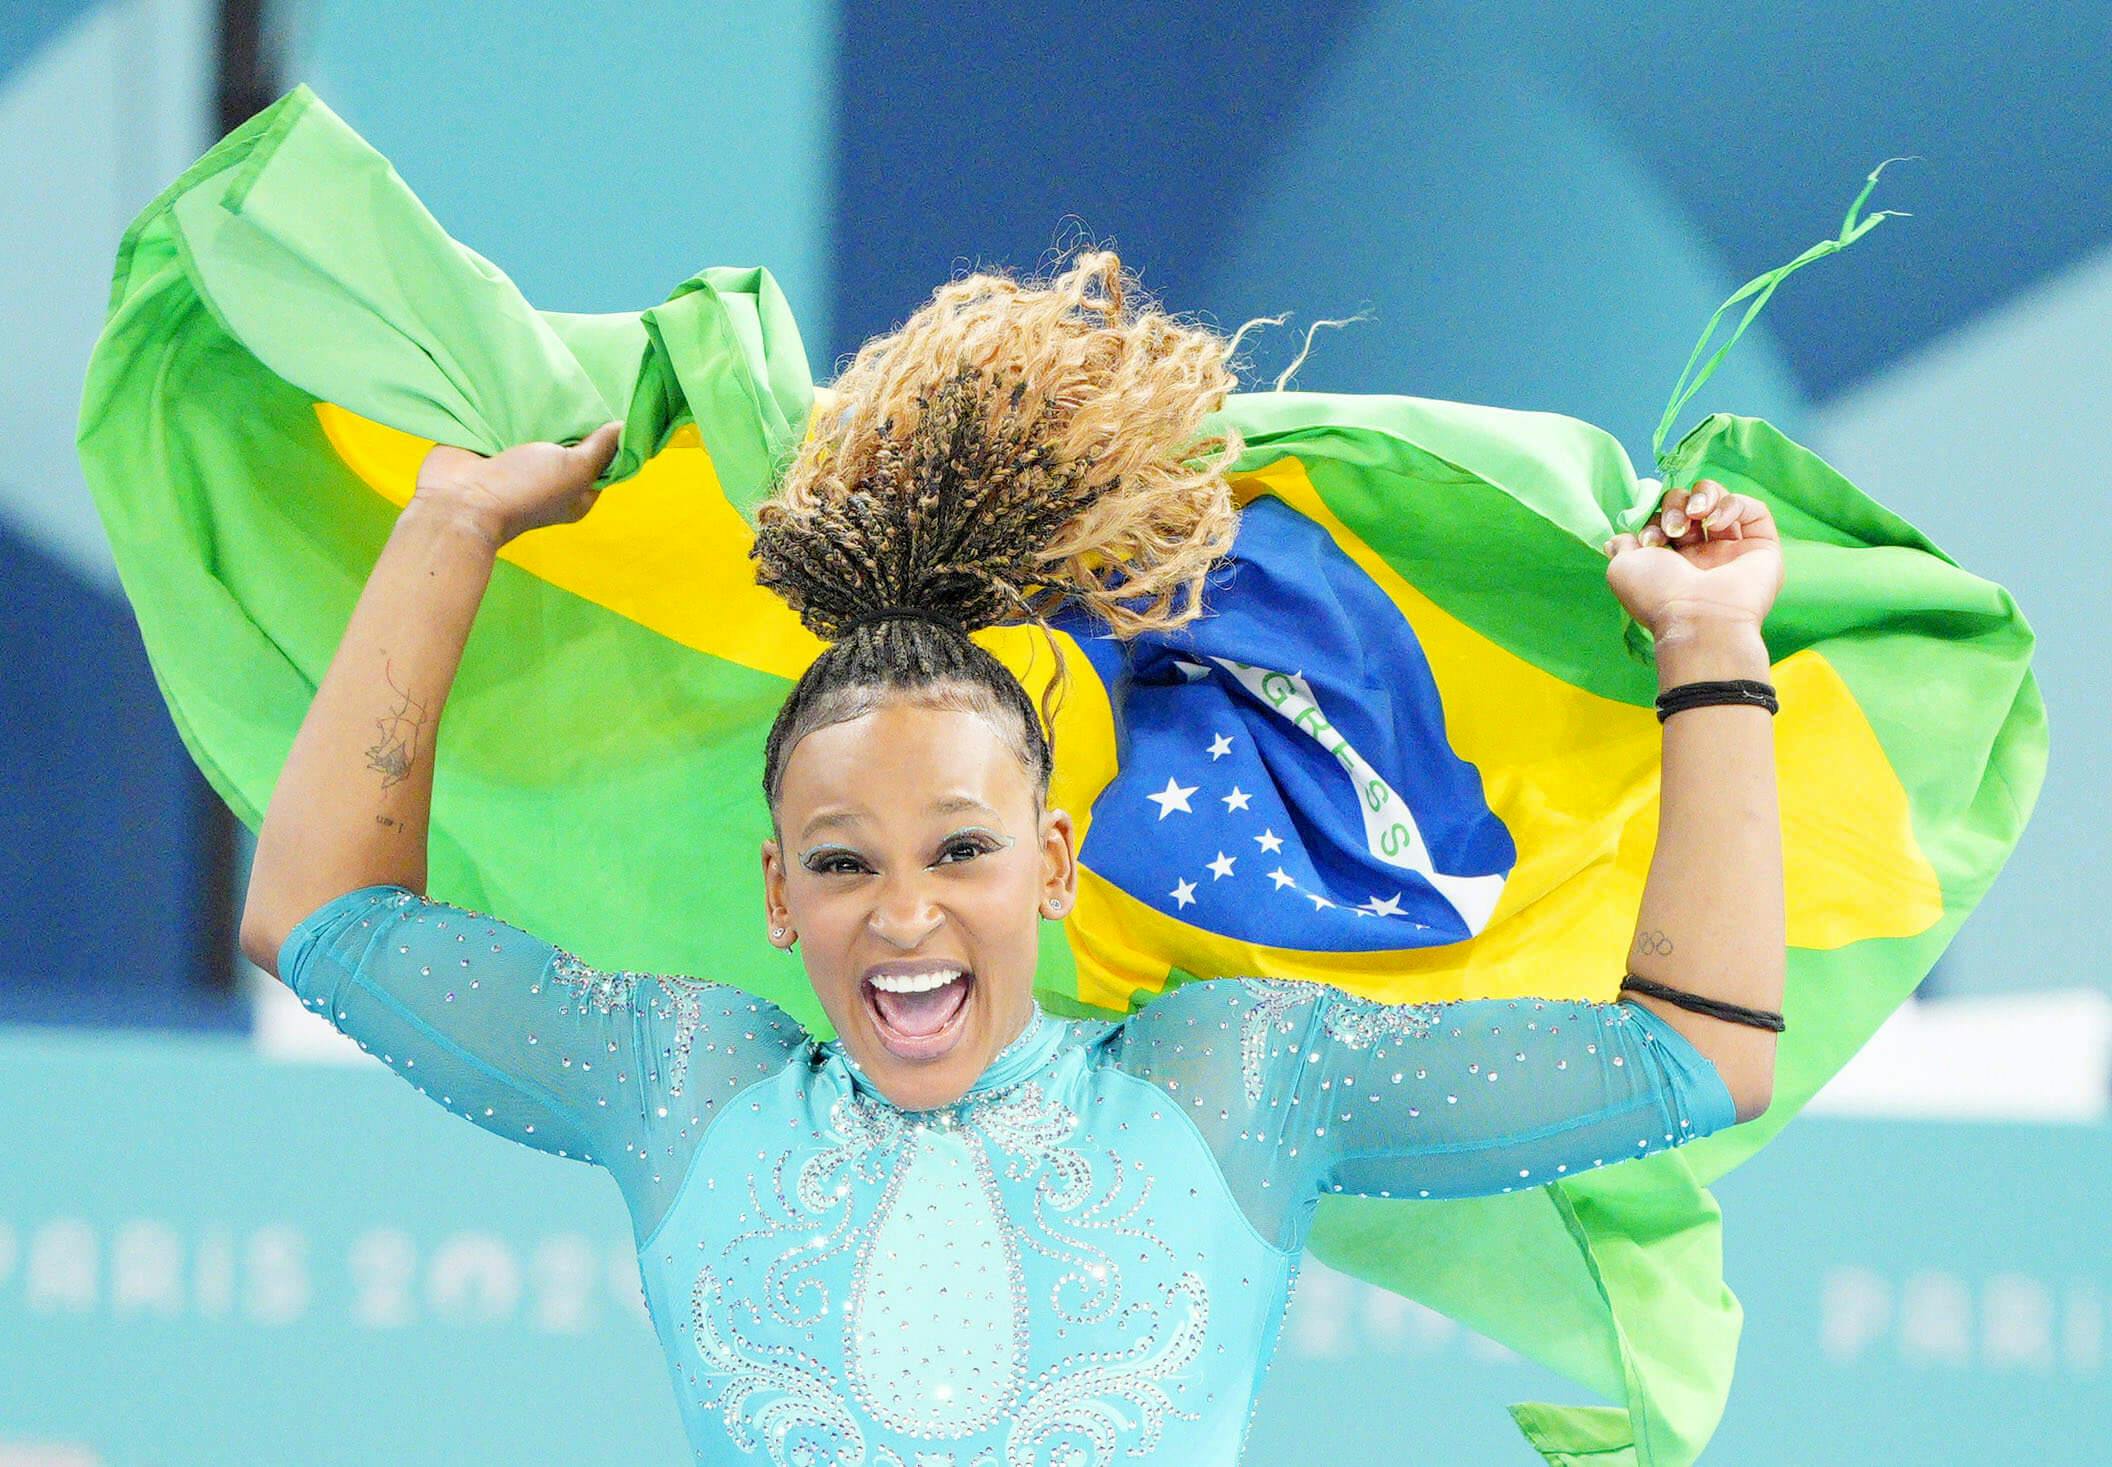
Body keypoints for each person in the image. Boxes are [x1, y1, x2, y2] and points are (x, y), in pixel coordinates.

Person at [238, 252, 1783, 1466]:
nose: (905, 914)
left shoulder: (1235, 1082)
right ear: (778, 895)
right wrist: (450, 527)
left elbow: (1694, 1059)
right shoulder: (677, 1080)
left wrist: (1712, 647)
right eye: (842, 866)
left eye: (960, 849)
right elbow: (317, 917)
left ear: (1050, 862)